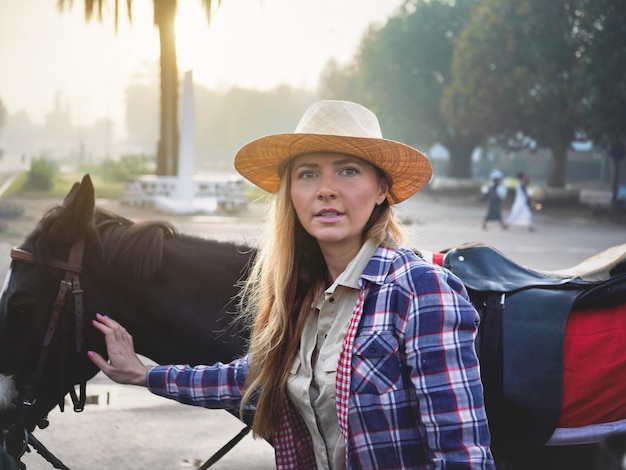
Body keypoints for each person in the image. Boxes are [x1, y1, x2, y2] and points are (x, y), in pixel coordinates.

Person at [88, 100, 495, 469]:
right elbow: (248, 380)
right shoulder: (302, 295)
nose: (326, 190)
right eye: (308, 174)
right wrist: (145, 375)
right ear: (291, 193)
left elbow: (461, 455)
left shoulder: (420, 291)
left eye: (348, 171)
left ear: (382, 190)